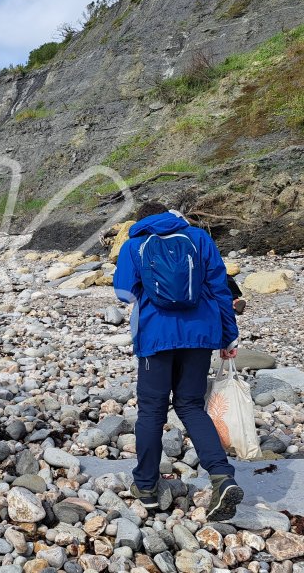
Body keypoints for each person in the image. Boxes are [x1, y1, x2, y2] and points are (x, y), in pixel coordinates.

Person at [114, 202, 242, 522]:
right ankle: (222, 475)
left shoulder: (134, 244)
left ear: (142, 220)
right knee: (190, 406)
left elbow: (122, 290)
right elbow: (220, 289)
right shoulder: (198, 238)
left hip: (155, 338)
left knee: (152, 411)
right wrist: (229, 336)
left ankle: (145, 486)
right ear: (171, 214)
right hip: (201, 335)